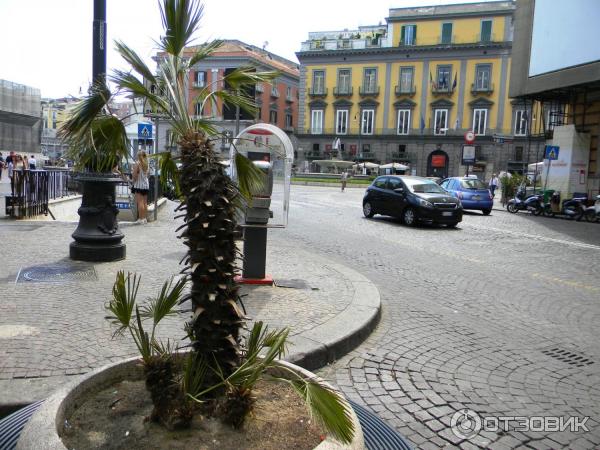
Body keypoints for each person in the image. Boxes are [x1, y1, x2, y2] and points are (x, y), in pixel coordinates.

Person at [132, 150, 150, 224]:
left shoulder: (137, 163)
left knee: (140, 202)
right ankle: (145, 218)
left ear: (139, 156)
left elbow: (134, 175)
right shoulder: (147, 164)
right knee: (145, 203)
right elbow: (148, 175)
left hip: (139, 185)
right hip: (146, 185)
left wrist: (133, 179)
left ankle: (140, 219)